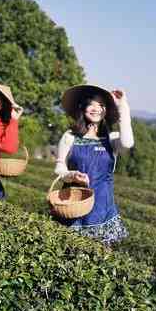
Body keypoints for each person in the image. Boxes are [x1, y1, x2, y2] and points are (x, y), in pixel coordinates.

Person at [53, 84, 134, 246]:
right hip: (73, 203)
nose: (96, 109)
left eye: (101, 105)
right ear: (83, 107)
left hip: (103, 207)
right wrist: (71, 175)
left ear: (106, 111)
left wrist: (123, 107)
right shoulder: (70, 136)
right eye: (92, 104)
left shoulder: (112, 138)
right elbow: (59, 167)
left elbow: (128, 143)